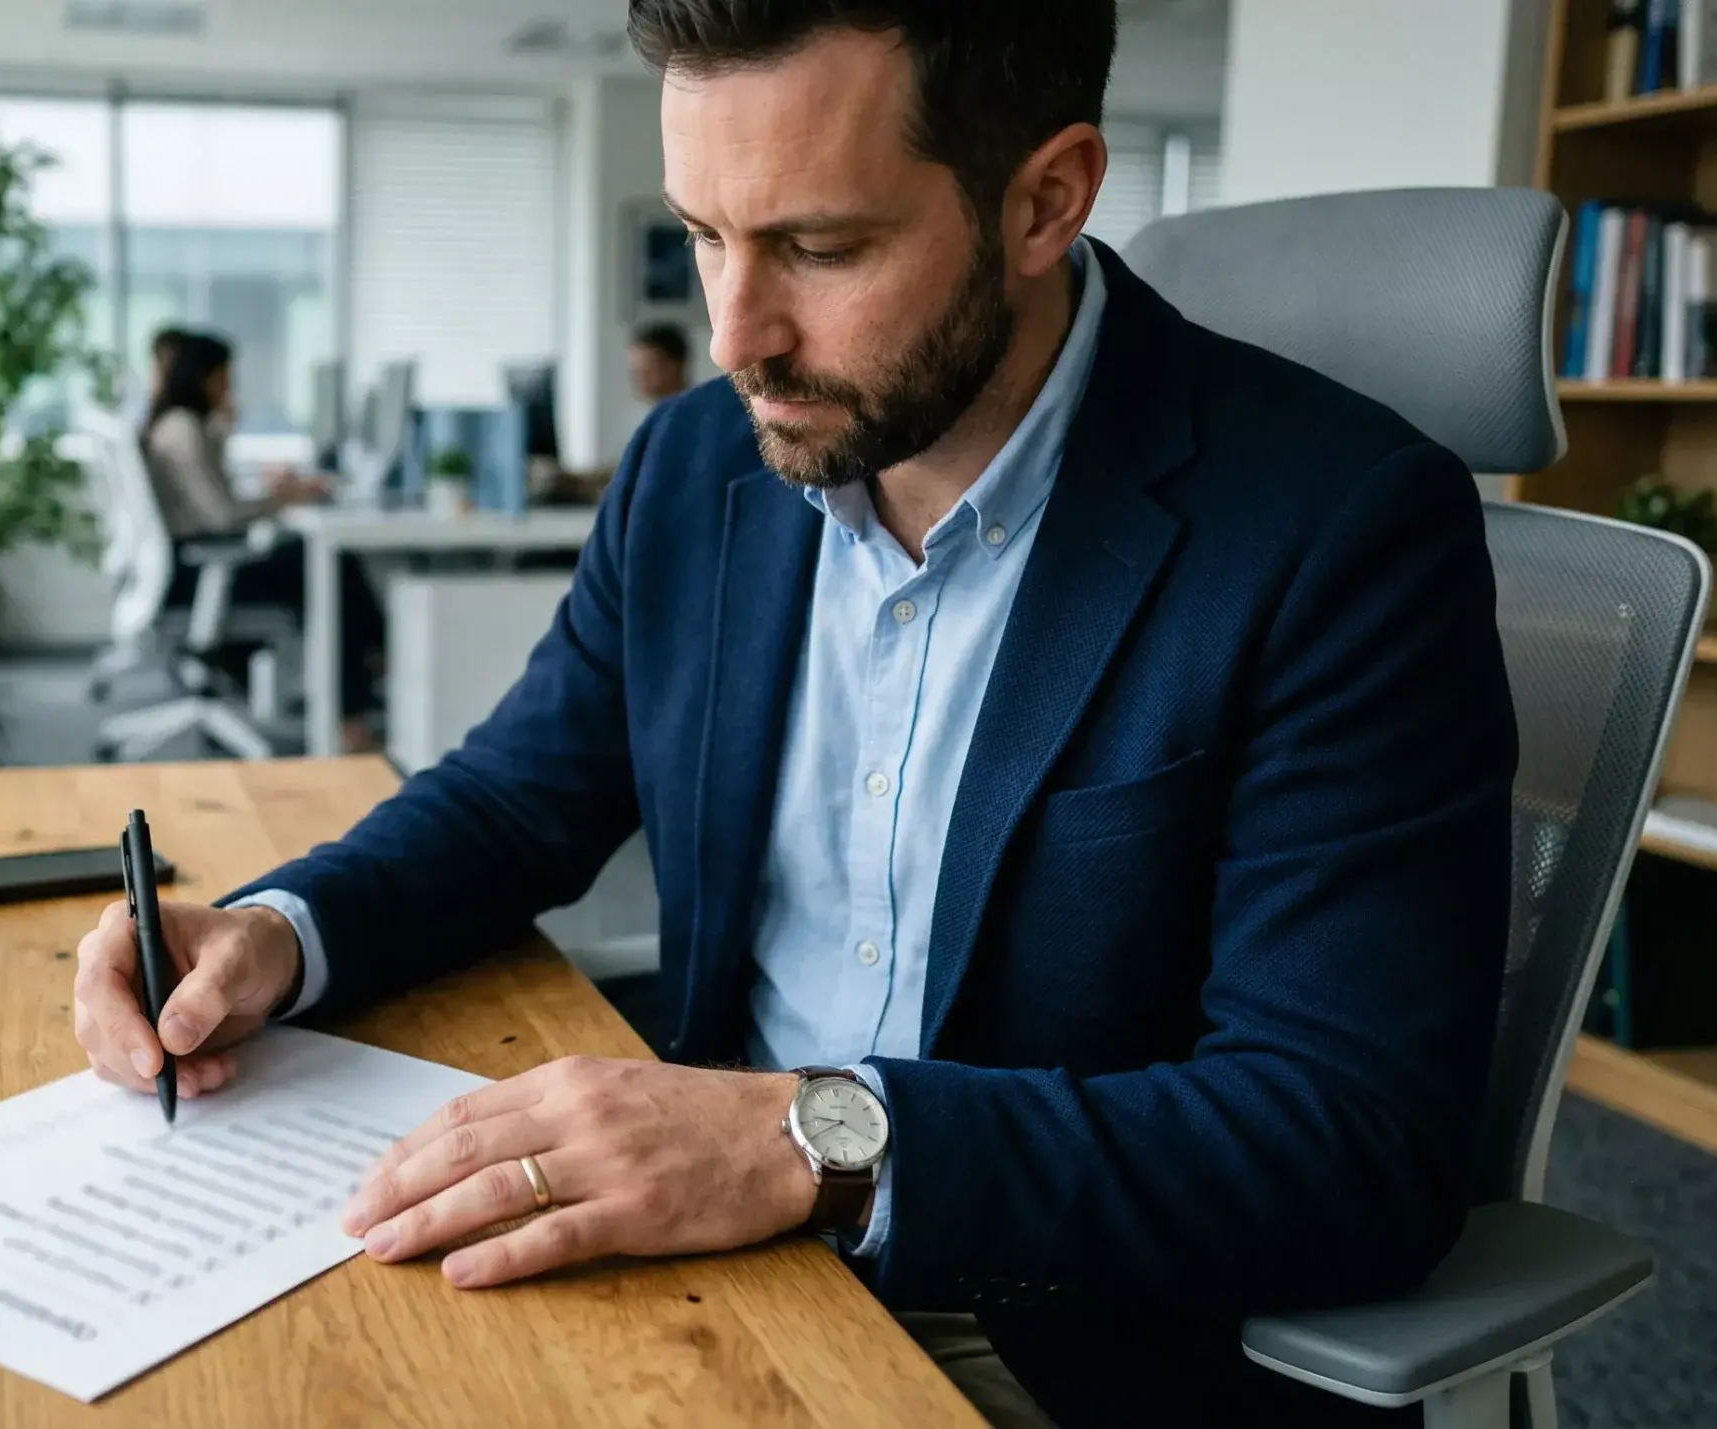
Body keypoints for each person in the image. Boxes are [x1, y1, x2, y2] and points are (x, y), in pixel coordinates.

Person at [75, 5, 1514, 1425]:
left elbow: (1350, 1141)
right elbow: (520, 796)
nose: (734, 333)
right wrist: (275, 932)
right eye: (705, 233)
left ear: (1046, 200)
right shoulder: (697, 468)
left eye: (819, 248)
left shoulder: (1339, 531)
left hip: (1052, 1327)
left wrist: (804, 1140)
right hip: (707, 1256)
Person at [141, 332, 387, 740]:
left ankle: (362, 680)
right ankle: (357, 699)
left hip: (194, 565)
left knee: (313, 562)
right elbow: (222, 515)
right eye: (224, 377)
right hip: (199, 573)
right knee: (323, 568)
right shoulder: (183, 428)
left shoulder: (181, 425)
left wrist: (228, 437)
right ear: (203, 377)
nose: (229, 387)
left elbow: (214, 498)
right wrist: (284, 498)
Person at [628, 322, 693, 405]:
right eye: (636, 370)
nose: (640, 378)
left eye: (648, 370)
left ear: (673, 367)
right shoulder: (649, 415)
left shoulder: (701, 412)